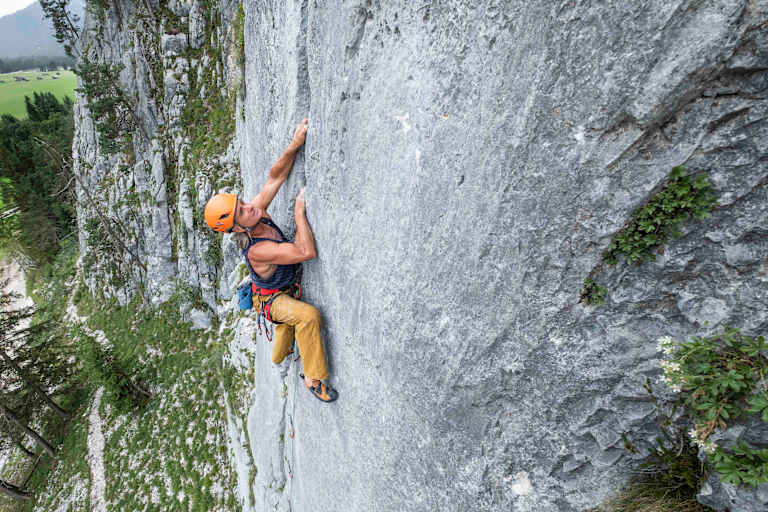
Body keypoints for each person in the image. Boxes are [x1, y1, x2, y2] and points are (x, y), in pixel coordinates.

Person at [203, 119, 338, 403]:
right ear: (237, 228)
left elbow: (275, 177)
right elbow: (305, 252)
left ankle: (280, 355)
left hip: (274, 294)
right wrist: (299, 211)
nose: (250, 207)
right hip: (271, 301)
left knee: (280, 350)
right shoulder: (256, 249)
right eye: (242, 211)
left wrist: (296, 143)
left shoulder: (255, 213)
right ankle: (313, 380)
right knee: (307, 316)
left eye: (242, 203)